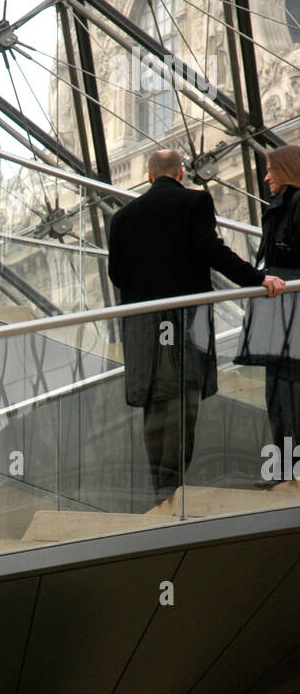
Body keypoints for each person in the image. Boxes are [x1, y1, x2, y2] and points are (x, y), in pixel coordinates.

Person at [108, 148, 285, 503]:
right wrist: (257, 278)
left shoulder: (122, 217)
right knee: (184, 396)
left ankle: (160, 485)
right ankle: (173, 484)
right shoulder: (196, 202)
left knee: (154, 399)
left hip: (142, 325)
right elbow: (211, 250)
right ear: (181, 174)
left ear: (148, 176)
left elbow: (117, 274)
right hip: (186, 318)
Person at [235, 144, 300, 481]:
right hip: (283, 315)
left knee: (286, 392)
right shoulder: (279, 208)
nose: (265, 177)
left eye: (271, 169)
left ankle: (288, 467)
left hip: (290, 315)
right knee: (279, 392)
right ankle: (285, 466)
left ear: (287, 170)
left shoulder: (292, 206)